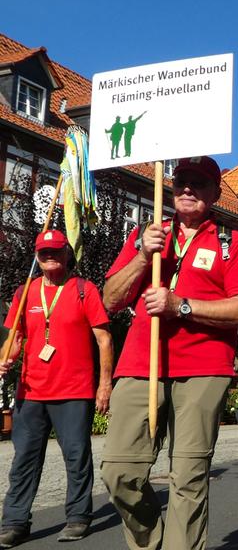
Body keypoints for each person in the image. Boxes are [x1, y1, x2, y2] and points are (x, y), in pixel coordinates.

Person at [100, 156, 238, 550]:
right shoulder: (147, 235)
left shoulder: (231, 242)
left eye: (199, 182)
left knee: (188, 476)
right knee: (119, 473)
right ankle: (152, 542)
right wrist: (142, 254)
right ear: (170, 189)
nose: (187, 188)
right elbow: (110, 299)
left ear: (215, 192)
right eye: (181, 182)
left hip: (204, 367)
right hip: (141, 363)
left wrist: (182, 305)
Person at [0, 230, 113, 546]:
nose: (50, 256)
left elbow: (104, 339)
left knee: (77, 457)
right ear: (36, 257)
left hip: (74, 392)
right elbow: (15, 339)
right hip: (31, 391)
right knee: (23, 460)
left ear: (67, 254)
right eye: (44, 251)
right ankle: (14, 522)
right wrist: (5, 360)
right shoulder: (25, 293)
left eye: (56, 251)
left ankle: (78, 518)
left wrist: (104, 386)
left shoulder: (83, 290)